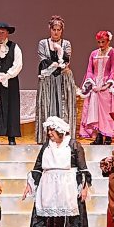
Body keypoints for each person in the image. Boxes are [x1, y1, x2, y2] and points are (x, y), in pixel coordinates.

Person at [23, 116, 91, 227]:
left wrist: (84, 187)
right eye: (48, 130)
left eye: (51, 130)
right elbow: (38, 167)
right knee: (42, 219)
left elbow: (83, 169)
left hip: (66, 185)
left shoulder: (74, 145)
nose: (49, 133)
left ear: (60, 131)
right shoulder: (46, 146)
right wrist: (30, 184)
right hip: (47, 185)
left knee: (65, 221)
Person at [35, 15, 77, 144]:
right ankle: (47, 136)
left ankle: (65, 135)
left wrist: (60, 60)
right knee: (48, 104)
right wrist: (55, 64)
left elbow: (66, 60)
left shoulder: (66, 44)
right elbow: (43, 59)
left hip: (63, 78)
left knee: (64, 104)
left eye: (59, 29)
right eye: (54, 29)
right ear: (50, 29)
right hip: (48, 78)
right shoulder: (43, 43)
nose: (56, 32)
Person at [79, 30, 114, 145]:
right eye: (99, 42)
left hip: (107, 86)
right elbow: (89, 70)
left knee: (107, 112)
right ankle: (98, 136)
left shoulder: (112, 52)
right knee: (95, 112)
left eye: (103, 42)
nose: (101, 45)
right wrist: (92, 84)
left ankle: (107, 136)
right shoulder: (94, 54)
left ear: (108, 41)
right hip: (95, 85)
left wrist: (106, 86)